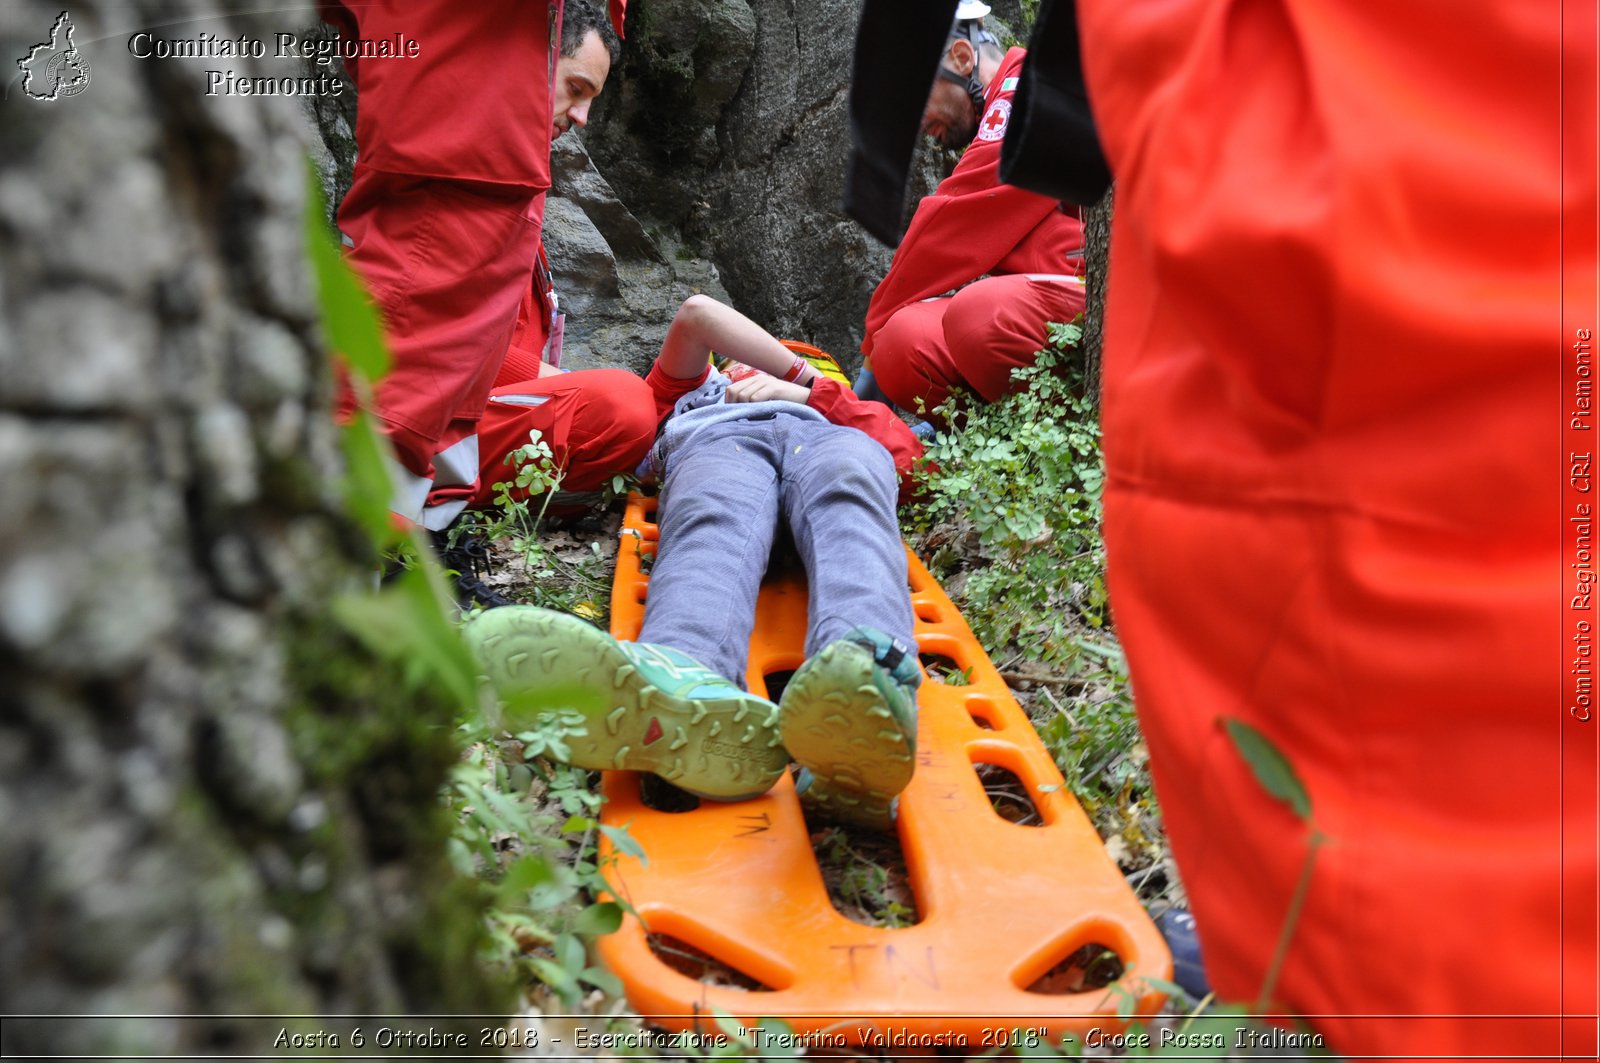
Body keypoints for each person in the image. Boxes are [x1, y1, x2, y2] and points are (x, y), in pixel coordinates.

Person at [843, 0, 1598, 1057]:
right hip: (1205, 101)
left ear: (964, 55)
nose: (926, 121)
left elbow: (957, 229)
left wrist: (876, 352)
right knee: (1224, 496)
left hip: (1333, 92)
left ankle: (1459, 967)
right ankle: (1314, 929)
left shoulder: (1012, 86)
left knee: (1416, 451)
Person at [464, 296, 925, 829]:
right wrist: (743, 380)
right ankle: (685, 680)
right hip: (718, 443)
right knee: (711, 523)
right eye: (744, 359)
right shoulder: (691, 398)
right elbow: (697, 314)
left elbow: (912, 462)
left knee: (850, 503)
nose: (751, 368)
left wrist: (808, 389)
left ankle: (867, 679)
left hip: (830, 439)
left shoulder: (843, 407)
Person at [323, 0, 626, 531]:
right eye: (576, 89)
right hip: (464, 153)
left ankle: (390, 540)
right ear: (547, 56)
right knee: (619, 402)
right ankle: (360, 544)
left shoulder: (514, 207)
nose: (579, 118)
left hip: (471, 153)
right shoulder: (473, 162)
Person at [859, 1, 1085, 417]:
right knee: (901, 343)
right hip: (1046, 299)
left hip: (1105, 292)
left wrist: (868, 346)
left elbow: (957, 215)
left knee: (978, 313)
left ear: (962, 58)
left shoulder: (1031, 88)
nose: (918, 127)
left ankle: (1074, 436)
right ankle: (998, 445)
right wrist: (879, 341)